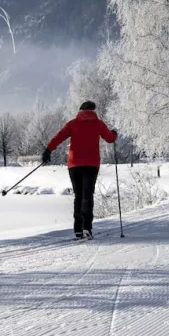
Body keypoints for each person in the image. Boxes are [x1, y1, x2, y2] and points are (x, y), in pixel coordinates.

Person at [44, 100, 118, 239]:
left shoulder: (73, 123)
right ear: (93, 111)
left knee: (78, 196)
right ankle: (87, 228)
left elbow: (59, 137)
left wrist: (48, 150)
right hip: (91, 164)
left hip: (74, 165)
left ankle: (77, 229)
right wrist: (114, 134)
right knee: (87, 196)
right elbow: (109, 139)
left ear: (80, 111)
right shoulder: (98, 124)